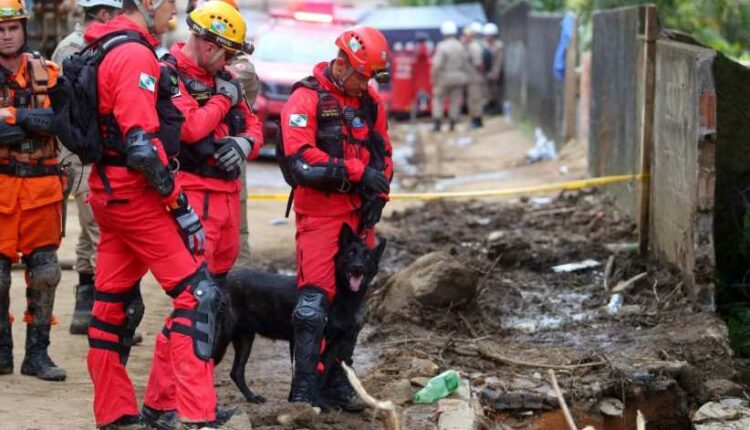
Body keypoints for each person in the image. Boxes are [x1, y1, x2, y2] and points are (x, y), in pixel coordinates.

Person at [82, 0, 233, 426]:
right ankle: (195, 414)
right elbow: (143, 150)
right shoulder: (133, 55)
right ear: (148, 3)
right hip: (136, 198)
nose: (177, 14)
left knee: (111, 307)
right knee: (198, 296)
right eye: (172, 4)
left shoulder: (106, 46)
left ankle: (115, 414)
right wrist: (179, 206)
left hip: (109, 195)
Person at [280, 25, 393, 410]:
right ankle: (304, 389)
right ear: (342, 63)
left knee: (353, 306)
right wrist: (358, 173)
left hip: (360, 214)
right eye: (362, 75)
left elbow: (384, 154)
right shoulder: (306, 97)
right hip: (321, 213)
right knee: (313, 306)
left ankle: (338, 382)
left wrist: (380, 194)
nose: (365, 84)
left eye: (370, 78)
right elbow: (299, 157)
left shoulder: (371, 102)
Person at [0, 0, 67, 382]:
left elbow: (63, 121)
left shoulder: (49, 72)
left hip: (43, 188)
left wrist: (15, 119)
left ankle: (37, 355)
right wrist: (31, 120)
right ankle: (2, 352)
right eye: (0, 30)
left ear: (24, 28)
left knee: (45, 273)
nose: (7, 35)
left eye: (12, 28)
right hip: (2, 186)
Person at [51, 0, 121, 336]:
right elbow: (73, 108)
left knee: (91, 229)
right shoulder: (74, 49)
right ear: (105, 13)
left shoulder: (93, 45)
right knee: (95, 229)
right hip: (77, 153)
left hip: (86, 149)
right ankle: (95, 311)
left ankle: (87, 305)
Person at [430, 21, 467, 132]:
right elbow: (465, 61)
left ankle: (437, 124)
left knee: (438, 99)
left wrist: (434, 78)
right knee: (455, 100)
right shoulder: (460, 46)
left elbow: (437, 65)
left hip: (444, 78)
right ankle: (452, 123)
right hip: (459, 77)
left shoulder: (442, 46)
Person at [462, 22, 486, 129]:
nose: (465, 37)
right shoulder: (471, 46)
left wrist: (480, 74)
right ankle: (476, 119)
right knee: (473, 99)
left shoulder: (474, 47)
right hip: (473, 78)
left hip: (475, 78)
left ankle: (477, 121)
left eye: (466, 35)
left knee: (475, 100)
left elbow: (478, 63)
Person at [482, 22, 504, 115]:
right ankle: (489, 106)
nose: (487, 37)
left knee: (495, 91)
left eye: (488, 35)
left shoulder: (498, 45)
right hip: (486, 71)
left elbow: (498, 61)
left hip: (494, 72)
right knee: (487, 91)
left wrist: (495, 73)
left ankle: (495, 107)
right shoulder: (484, 45)